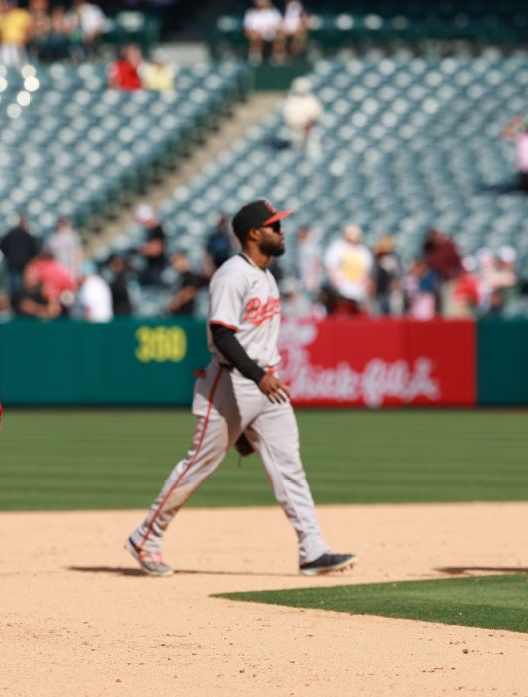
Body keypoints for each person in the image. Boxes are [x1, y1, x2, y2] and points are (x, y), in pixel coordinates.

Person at [126, 200, 356, 577]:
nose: (281, 233)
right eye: (275, 227)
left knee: (290, 466)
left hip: (265, 382)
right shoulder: (233, 274)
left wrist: (262, 387)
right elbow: (222, 335)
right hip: (231, 381)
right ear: (254, 233)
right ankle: (145, 537)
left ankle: (312, 548)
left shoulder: (265, 274)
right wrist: (257, 378)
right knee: (198, 465)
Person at [323, 224, 372, 315]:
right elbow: (331, 265)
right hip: (341, 288)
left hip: (357, 289)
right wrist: (336, 282)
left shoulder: (363, 251)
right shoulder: (338, 247)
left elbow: (366, 271)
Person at [0, 217, 40, 307]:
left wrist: (8, 255)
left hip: (13, 264)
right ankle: (18, 305)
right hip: (24, 264)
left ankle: (16, 304)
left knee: (15, 286)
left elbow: (1, 245)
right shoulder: (27, 236)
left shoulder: (10, 235)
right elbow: (34, 250)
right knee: (21, 286)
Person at [283, 77, 323, 160]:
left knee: (313, 151)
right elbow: (290, 117)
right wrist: (302, 123)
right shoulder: (291, 101)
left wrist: (311, 121)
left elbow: (318, 113)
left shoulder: (311, 100)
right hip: (297, 132)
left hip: (311, 131)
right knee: (296, 153)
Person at [243, 0, 282, 64]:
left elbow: (279, 26)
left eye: (264, 0)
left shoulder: (274, 12)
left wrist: (268, 31)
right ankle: (255, 58)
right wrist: (257, 32)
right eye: (260, 0)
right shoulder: (251, 12)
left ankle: (278, 57)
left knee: (280, 35)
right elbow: (247, 28)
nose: (262, 2)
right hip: (256, 34)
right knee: (254, 36)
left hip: (271, 33)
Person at [164, 252, 204, 316]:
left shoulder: (190, 275)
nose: (175, 264)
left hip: (187, 313)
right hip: (177, 314)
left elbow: (190, 291)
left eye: (177, 260)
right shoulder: (177, 276)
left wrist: (176, 302)